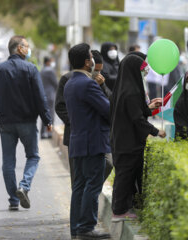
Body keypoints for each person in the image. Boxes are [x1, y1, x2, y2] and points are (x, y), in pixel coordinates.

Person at [0, 35, 52, 211]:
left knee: (8, 162)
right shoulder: (30, 68)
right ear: (19, 48)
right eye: (26, 46)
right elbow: (40, 97)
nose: (28, 50)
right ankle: (24, 186)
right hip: (27, 122)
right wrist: (47, 119)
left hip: (6, 123)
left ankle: (13, 200)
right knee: (33, 156)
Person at [110, 53, 166, 220]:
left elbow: (135, 112)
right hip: (128, 142)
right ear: (134, 69)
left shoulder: (123, 88)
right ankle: (119, 211)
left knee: (126, 174)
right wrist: (156, 131)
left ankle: (123, 208)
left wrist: (150, 107)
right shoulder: (132, 92)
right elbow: (137, 119)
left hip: (122, 139)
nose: (145, 71)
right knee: (124, 176)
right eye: (142, 68)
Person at [64, 43, 111, 239]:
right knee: (93, 185)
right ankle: (87, 227)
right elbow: (108, 110)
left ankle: (77, 228)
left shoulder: (69, 83)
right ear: (86, 62)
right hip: (93, 142)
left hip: (78, 141)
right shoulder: (89, 83)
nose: (93, 60)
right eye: (91, 57)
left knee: (79, 186)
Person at [40, 56, 58, 139]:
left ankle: (43, 133)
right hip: (50, 95)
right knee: (50, 114)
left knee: (44, 114)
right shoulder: (50, 71)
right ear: (47, 62)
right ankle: (49, 133)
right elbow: (55, 83)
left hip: (43, 94)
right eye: (50, 61)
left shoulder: (42, 70)